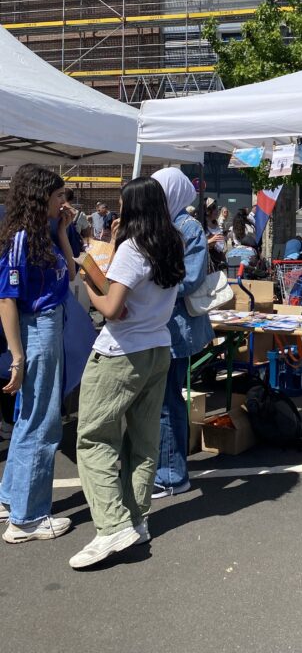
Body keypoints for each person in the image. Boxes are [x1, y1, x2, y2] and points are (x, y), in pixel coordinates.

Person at [71, 176, 185, 570]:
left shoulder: (133, 249)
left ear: (132, 206)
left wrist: (87, 275)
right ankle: (136, 519)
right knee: (143, 440)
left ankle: (113, 525)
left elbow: (113, 308)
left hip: (121, 351)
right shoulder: (173, 242)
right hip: (158, 348)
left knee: (93, 439)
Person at [0, 164, 76, 543]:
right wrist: (17, 355)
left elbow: (72, 275)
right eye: (58, 195)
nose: (63, 201)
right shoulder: (19, 239)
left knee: (32, 415)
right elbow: (7, 300)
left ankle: (13, 499)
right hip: (39, 328)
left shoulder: (39, 234)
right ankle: (27, 518)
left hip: (47, 324)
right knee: (42, 421)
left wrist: (62, 231)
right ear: (39, 196)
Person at [151, 169, 213, 498]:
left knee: (167, 400)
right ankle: (169, 468)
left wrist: (152, 287)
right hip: (161, 324)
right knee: (164, 399)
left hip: (176, 325)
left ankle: (173, 475)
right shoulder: (162, 225)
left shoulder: (188, 227)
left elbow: (191, 278)